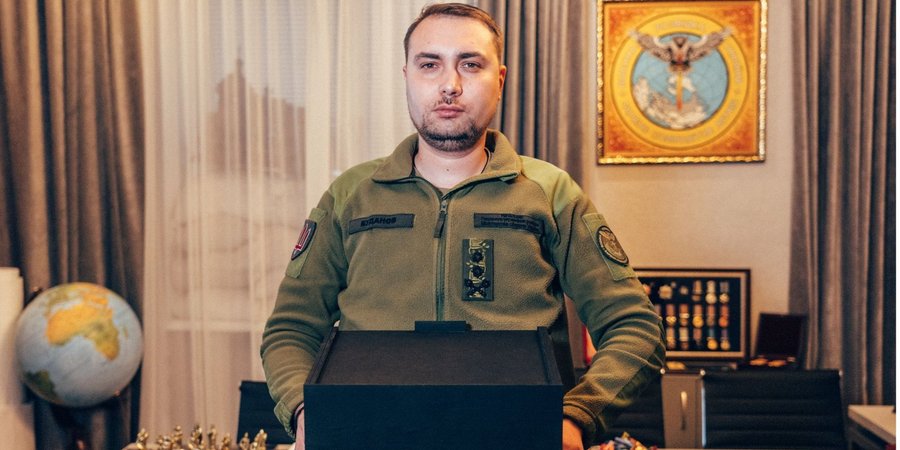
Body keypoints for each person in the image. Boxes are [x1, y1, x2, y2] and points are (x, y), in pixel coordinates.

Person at [260, 3, 665, 450]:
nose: (450, 85)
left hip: (517, 441)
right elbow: (291, 330)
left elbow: (634, 327)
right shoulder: (350, 195)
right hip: (371, 438)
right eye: (429, 64)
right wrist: (305, 411)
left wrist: (577, 417)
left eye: (470, 64)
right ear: (407, 77)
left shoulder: (551, 193)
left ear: (500, 80)